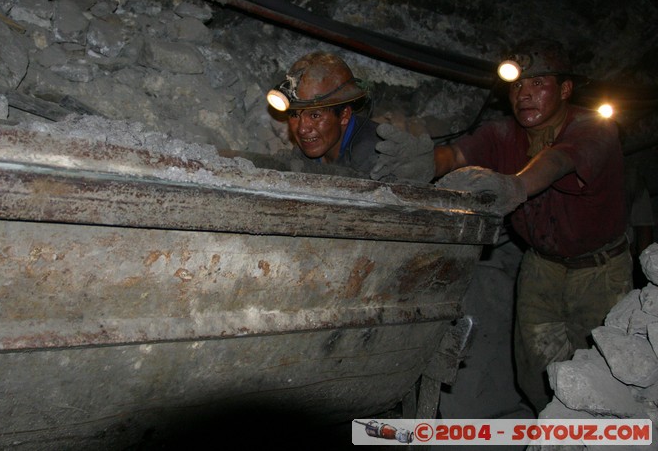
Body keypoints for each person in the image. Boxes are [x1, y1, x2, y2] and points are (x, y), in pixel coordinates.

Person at [434, 38, 632, 413]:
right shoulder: (502, 133)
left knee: (602, 377)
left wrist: (516, 185)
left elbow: (560, 160)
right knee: (536, 376)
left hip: (601, 272)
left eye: (538, 84)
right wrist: (420, 161)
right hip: (541, 267)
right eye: (517, 86)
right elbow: (455, 154)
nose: (524, 94)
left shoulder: (594, 127)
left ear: (566, 89)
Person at [266, 51, 434, 182]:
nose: (302, 128)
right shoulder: (316, 146)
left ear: (344, 115)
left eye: (315, 115)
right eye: (294, 115)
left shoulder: (376, 156)